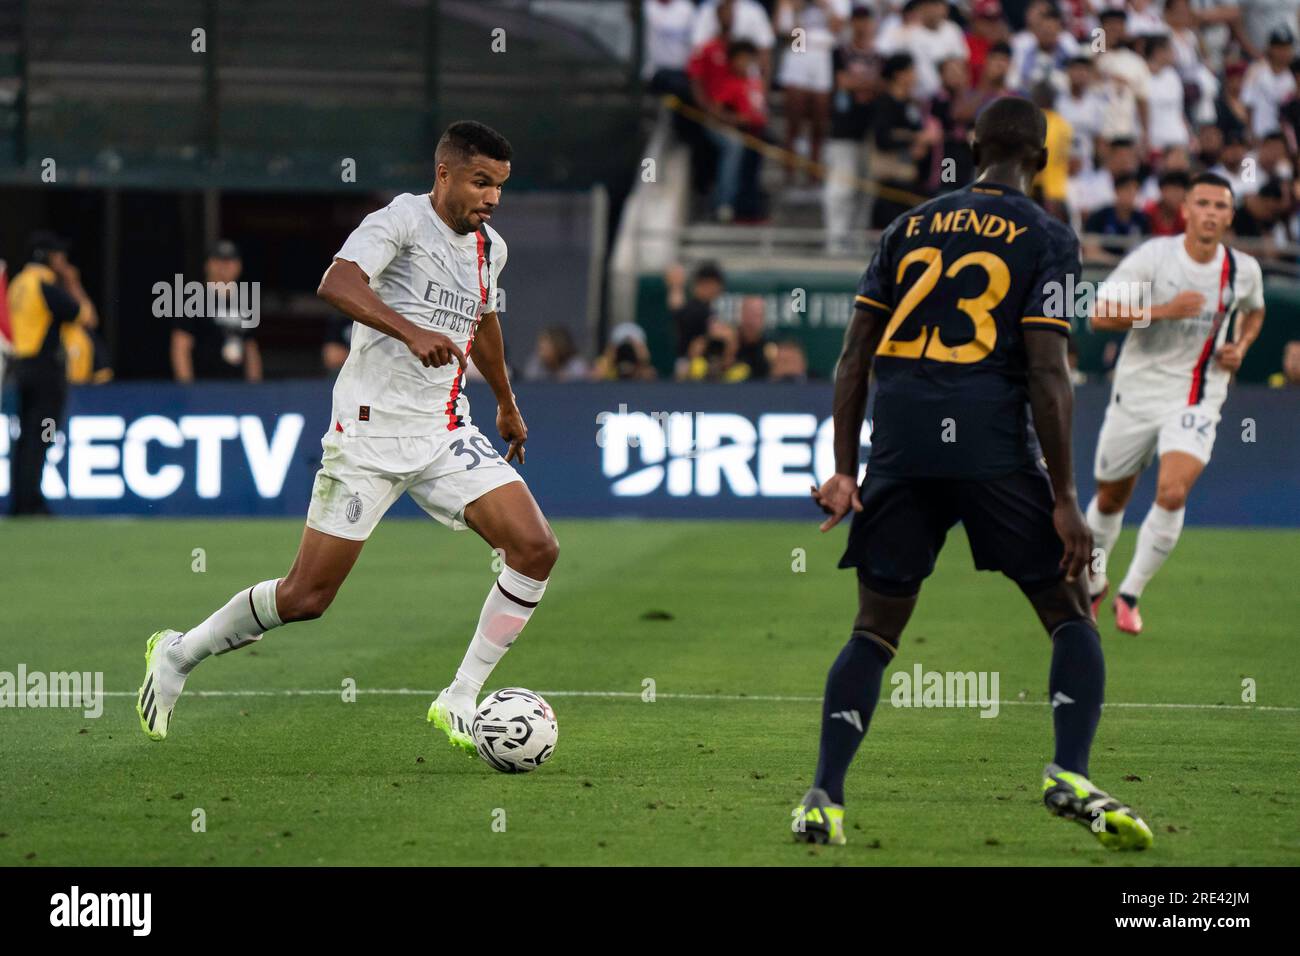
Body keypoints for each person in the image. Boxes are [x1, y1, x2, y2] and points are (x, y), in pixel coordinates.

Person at [794, 96, 1153, 851]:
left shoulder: (907, 226)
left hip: (900, 445)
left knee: (874, 630)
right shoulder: (1048, 237)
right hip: (989, 443)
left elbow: (853, 357)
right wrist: (1063, 498)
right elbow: (1049, 372)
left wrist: (843, 470)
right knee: (1069, 612)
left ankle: (824, 797)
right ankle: (1068, 773)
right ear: (1043, 160)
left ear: (971, 144)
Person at [137, 122, 560, 754]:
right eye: (480, 182)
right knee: (306, 597)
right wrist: (408, 331)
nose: (491, 198)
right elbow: (336, 282)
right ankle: (178, 653)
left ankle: (459, 698)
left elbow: (487, 320)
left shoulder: (489, 248)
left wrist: (506, 401)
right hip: (367, 437)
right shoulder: (398, 221)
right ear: (443, 173)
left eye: (499, 186)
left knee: (535, 548)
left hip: (445, 431)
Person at [1085, 173, 1266, 635]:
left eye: (1221, 206)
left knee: (1172, 491)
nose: (1210, 213)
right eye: (1202, 203)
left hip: (1197, 393)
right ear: (1185, 210)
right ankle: (1094, 583)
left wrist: (1240, 346)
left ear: (1230, 215)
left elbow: (1255, 309)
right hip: (1137, 390)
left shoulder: (1241, 269)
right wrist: (1162, 311)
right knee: (1110, 497)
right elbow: (1099, 317)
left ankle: (1130, 594)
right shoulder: (1154, 258)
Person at [5, 232, 98, 516]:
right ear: (46, 256)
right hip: (45, 371)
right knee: (40, 436)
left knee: (24, 437)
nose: (63, 260)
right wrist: (72, 281)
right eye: (58, 255)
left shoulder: (17, 283)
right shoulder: (43, 285)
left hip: (20, 367)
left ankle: (21, 501)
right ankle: (32, 502)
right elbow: (85, 316)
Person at [823, 5, 882, 253]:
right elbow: (842, 82)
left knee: (866, 191)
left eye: (866, 19)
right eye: (857, 20)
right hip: (844, 130)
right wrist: (867, 84)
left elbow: (882, 85)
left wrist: (862, 84)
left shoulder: (880, 56)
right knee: (841, 189)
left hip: (871, 132)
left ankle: (857, 242)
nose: (862, 25)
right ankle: (836, 242)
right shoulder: (839, 52)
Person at [775, 0, 850, 186]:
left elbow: (838, 30)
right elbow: (791, 36)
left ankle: (813, 174)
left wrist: (824, 5)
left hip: (823, 57)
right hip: (799, 53)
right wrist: (797, 9)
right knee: (793, 122)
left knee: (819, 124)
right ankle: (789, 172)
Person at [170, 240, 263, 383]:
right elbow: (181, 346)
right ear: (208, 264)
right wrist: (187, 390)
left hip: (237, 389)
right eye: (219, 260)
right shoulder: (193, 299)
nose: (225, 266)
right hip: (204, 387)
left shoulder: (245, 301)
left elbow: (250, 348)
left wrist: (255, 388)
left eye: (230, 261)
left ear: (239, 265)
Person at [522, 325, 589, 381]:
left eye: (545, 348)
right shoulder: (535, 364)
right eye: (540, 348)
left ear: (558, 347)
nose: (541, 353)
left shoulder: (576, 365)